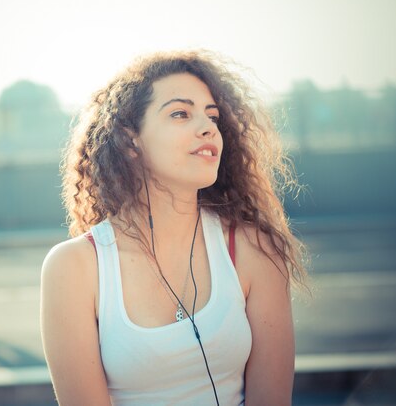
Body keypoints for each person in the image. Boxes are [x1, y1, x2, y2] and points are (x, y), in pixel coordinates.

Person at [40, 50, 308, 405]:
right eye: (180, 113)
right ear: (129, 140)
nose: (208, 127)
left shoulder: (252, 249)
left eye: (212, 117)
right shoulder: (74, 266)